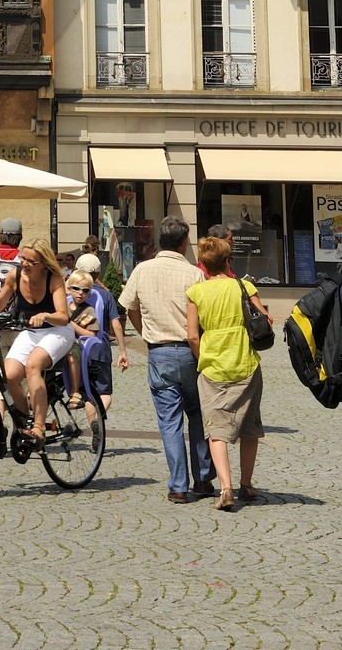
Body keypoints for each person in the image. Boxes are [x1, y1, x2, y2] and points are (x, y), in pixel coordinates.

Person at [119, 215, 214, 504]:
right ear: (184, 243)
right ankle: (203, 479)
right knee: (198, 415)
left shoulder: (142, 270)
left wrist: (144, 329)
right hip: (190, 351)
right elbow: (205, 315)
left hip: (158, 351)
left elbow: (127, 306)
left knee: (169, 421)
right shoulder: (195, 274)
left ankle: (178, 486)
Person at [186, 235, 272, 510]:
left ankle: (225, 488)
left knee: (216, 431)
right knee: (249, 426)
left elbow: (192, 337)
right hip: (245, 362)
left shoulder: (196, 293)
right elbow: (265, 320)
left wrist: (204, 358)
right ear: (227, 260)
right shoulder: (244, 286)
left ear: (202, 264)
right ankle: (246, 484)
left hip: (213, 367)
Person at [0, 238, 74, 445]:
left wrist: (46, 316)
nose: (25, 264)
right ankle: (23, 424)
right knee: (9, 375)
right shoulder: (15, 275)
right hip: (32, 331)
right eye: (23, 258)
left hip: (58, 330)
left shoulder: (54, 278)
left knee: (33, 365)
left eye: (31, 261)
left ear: (44, 264)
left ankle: (39, 428)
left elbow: (63, 316)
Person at [75, 253, 130, 410]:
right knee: (104, 392)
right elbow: (116, 324)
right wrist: (122, 351)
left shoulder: (73, 293)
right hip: (100, 349)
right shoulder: (106, 294)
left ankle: (93, 419)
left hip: (78, 347)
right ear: (99, 273)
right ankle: (97, 419)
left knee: (85, 391)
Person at [64, 271, 100, 407]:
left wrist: (71, 324)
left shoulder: (89, 310)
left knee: (72, 354)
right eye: (76, 289)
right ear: (69, 289)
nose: (80, 293)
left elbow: (92, 334)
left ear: (89, 293)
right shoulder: (63, 308)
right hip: (61, 341)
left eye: (85, 290)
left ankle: (75, 391)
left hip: (78, 344)